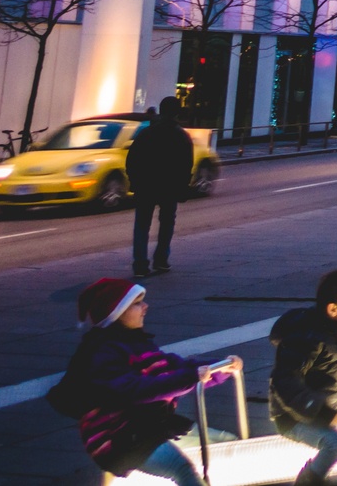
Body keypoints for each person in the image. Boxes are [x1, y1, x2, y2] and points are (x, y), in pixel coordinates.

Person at [48, 279, 212, 486]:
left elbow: (174, 367)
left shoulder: (137, 342)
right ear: (117, 312)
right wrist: (191, 377)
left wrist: (219, 368)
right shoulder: (103, 351)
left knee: (220, 440)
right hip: (118, 438)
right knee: (181, 469)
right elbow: (135, 390)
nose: (145, 307)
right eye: (137, 303)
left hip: (148, 425)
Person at [270, 268, 337, 486]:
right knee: (335, 443)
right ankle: (309, 481)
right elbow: (285, 382)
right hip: (294, 417)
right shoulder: (308, 338)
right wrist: (322, 412)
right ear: (332, 309)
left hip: (328, 409)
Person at [126, 96, 194, 277]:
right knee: (167, 223)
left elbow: (132, 160)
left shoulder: (147, 133)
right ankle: (161, 260)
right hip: (169, 188)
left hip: (146, 186)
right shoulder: (181, 136)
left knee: (142, 225)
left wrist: (135, 182)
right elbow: (186, 165)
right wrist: (183, 187)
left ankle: (140, 264)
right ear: (177, 113)